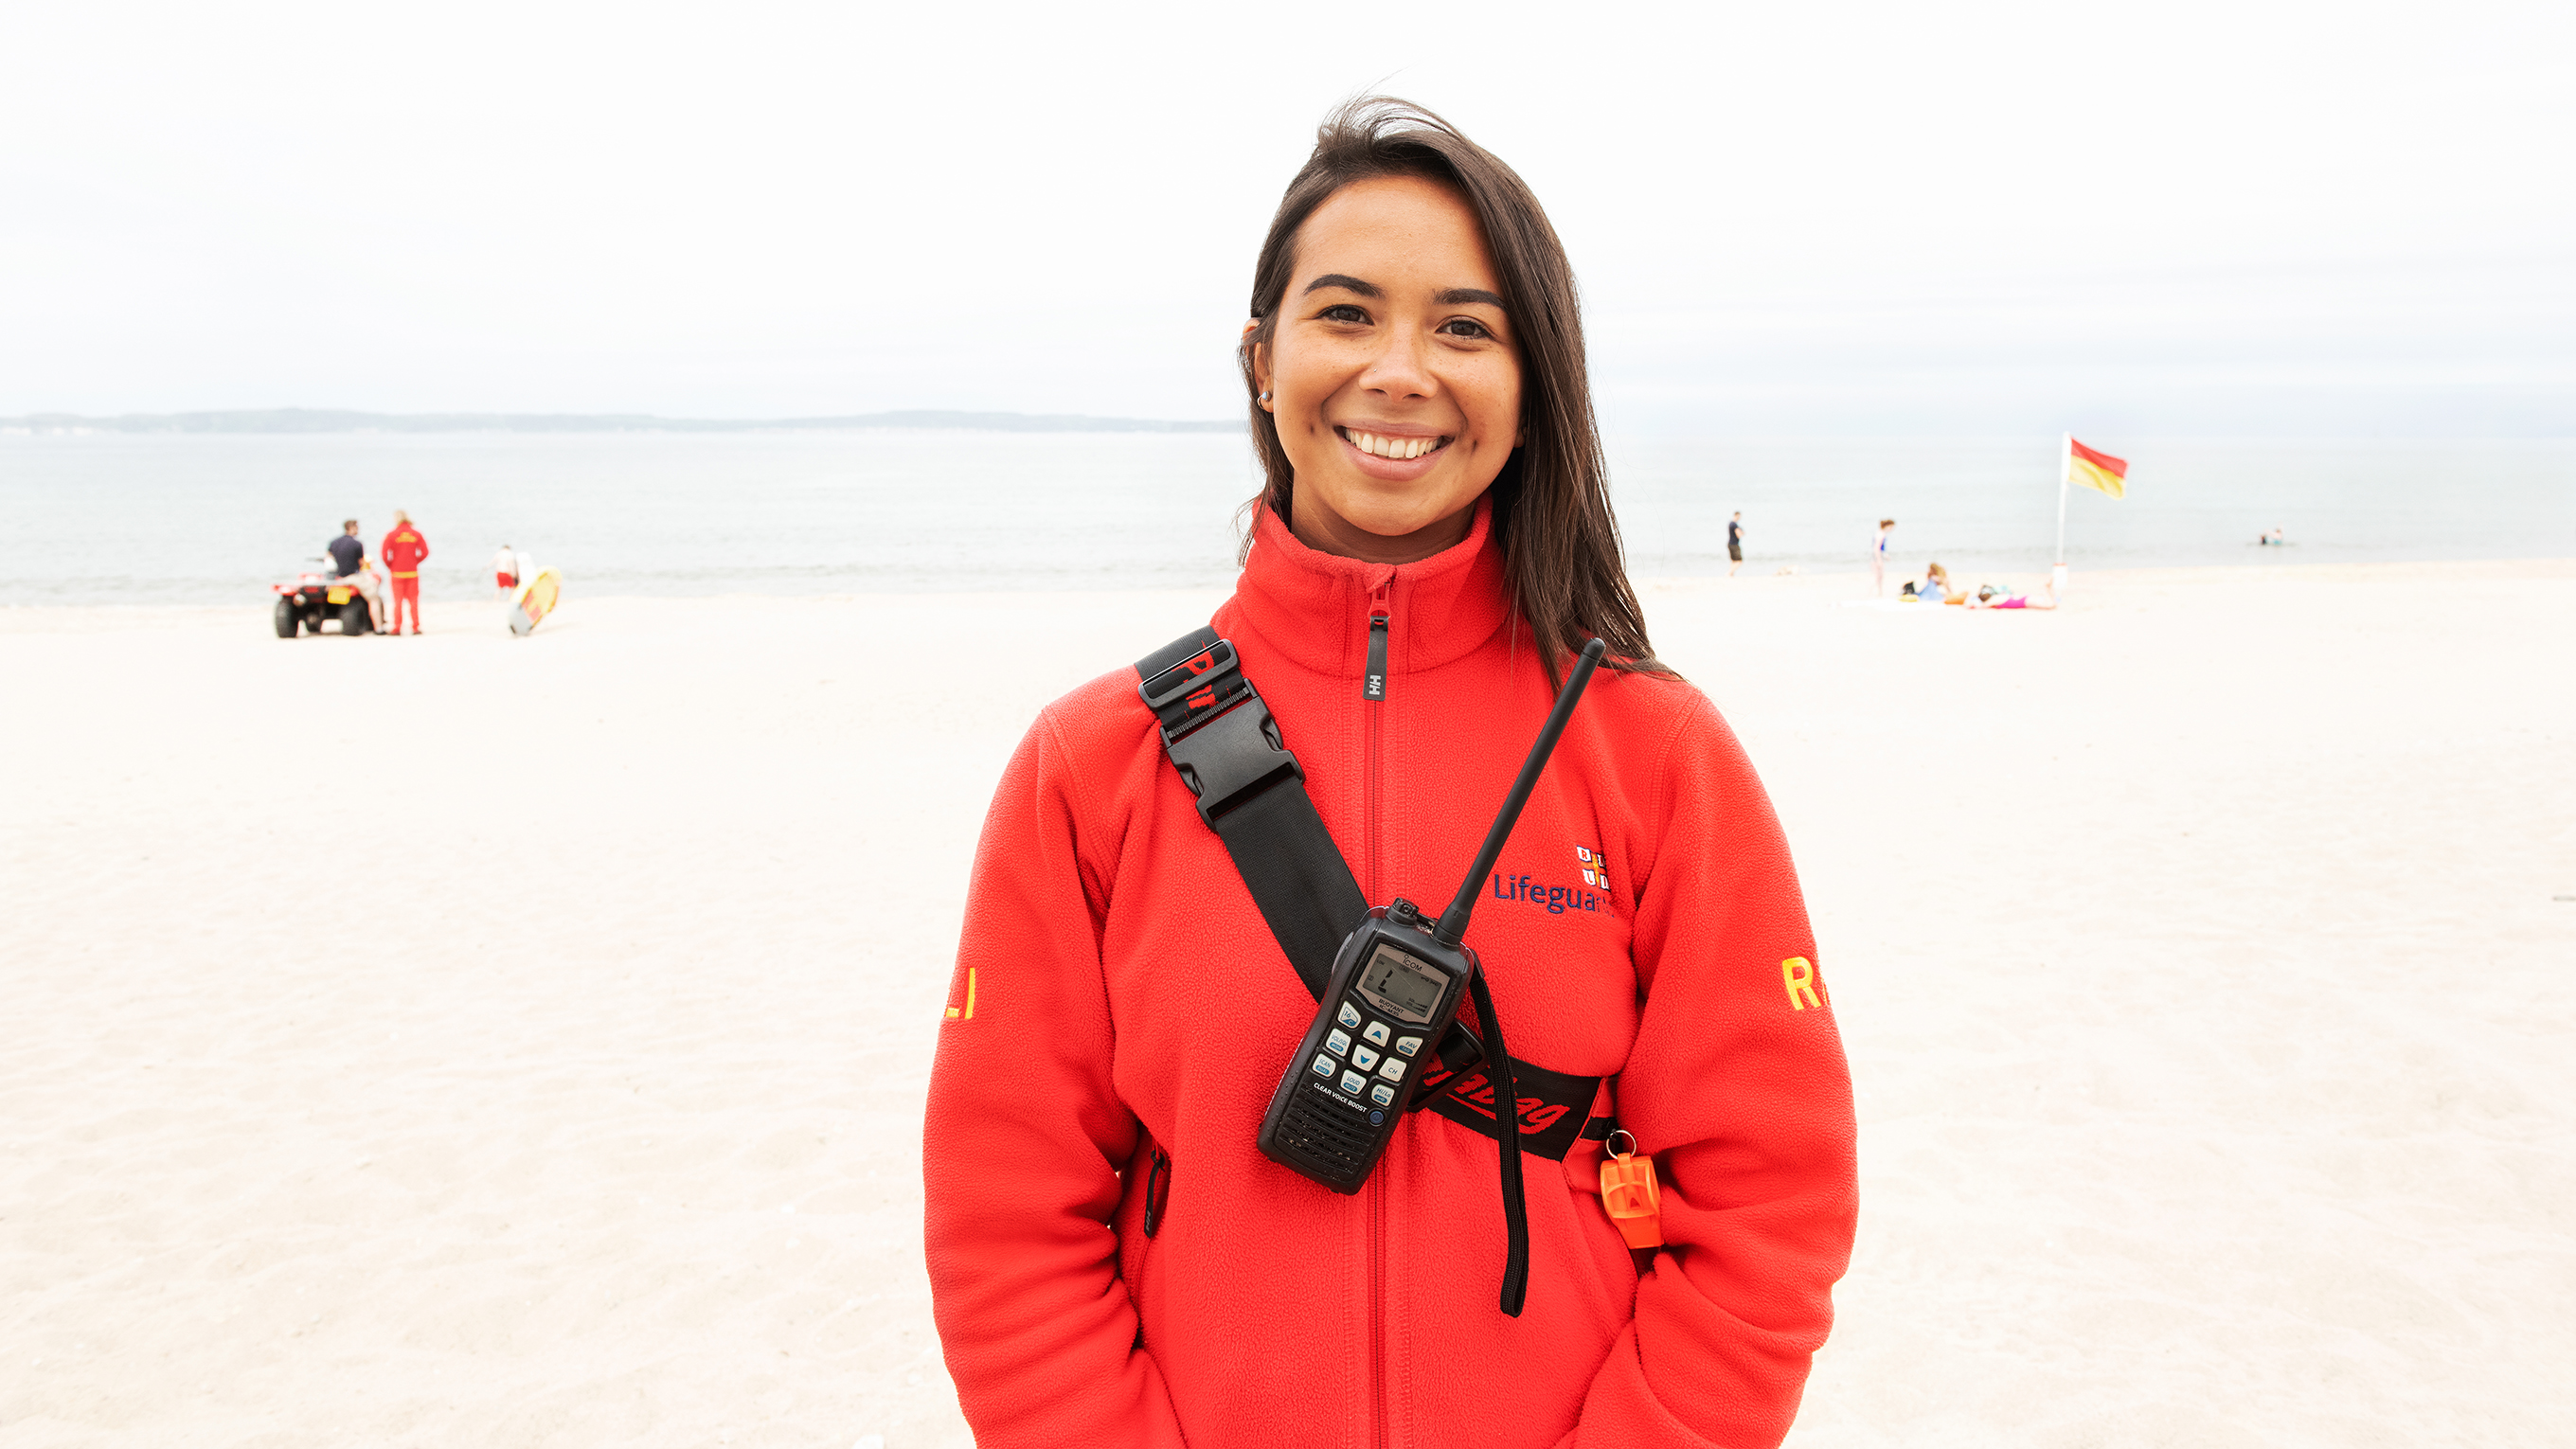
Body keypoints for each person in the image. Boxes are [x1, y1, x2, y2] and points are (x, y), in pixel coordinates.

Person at [922, 98, 1855, 1449]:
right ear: (1261, 359)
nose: (1401, 371)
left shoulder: (1655, 752)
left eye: (1465, 328)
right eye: (1347, 313)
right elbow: (1006, 1218)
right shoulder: (1092, 767)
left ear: (1533, 388)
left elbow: (1774, 1200)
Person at [380, 510, 429, 635]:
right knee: (413, 601)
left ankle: (397, 627)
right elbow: (425, 552)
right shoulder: (416, 534)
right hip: (412, 572)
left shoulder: (391, 534)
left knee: (397, 602)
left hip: (397, 572)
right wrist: (414, 561)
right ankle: (415, 627)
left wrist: (392, 565)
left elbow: (384, 555)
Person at [1871, 517, 1895, 595]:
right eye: (1891, 527)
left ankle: (1879, 592)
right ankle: (1873, 593)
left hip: (1878, 555)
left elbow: (1881, 548)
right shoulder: (1881, 534)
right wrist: (1879, 560)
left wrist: (1886, 555)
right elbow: (1876, 548)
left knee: (1879, 577)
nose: (1892, 529)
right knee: (1878, 577)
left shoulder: (1880, 533)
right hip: (1877, 556)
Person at [1726, 510, 1745, 577]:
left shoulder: (1730, 523)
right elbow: (1738, 534)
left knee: (1734, 560)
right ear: (1736, 516)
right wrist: (1742, 533)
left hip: (1730, 543)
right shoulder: (1734, 525)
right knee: (1739, 561)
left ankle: (1731, 574)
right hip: (1734, 544)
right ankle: (1729, 573)